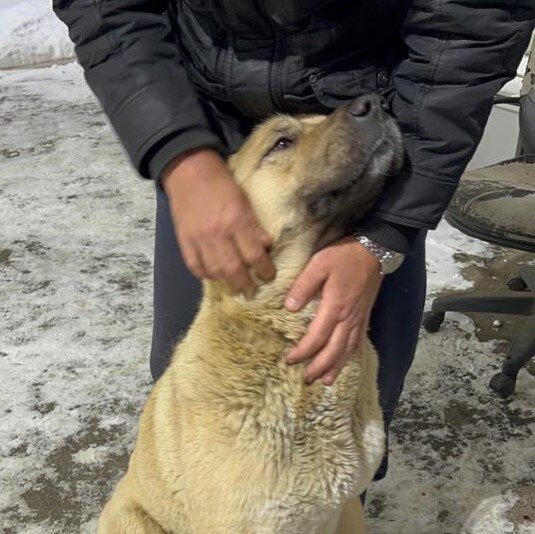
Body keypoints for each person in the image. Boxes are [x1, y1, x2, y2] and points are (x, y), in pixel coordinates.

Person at [53, 0, 534, 486]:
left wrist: (384, 236)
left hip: (381, 112)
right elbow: (106, 8)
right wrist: (180, 154)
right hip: (207, 119)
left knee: (352, 423)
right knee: (196, 409)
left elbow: (472, 24)